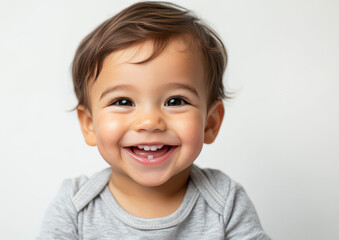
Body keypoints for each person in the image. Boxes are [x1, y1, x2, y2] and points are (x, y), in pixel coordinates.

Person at [37, 1, 270, 239]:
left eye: (176, 101)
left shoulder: (225, 201)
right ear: (89, 125)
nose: (149, 122)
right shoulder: (75, 208)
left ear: (210, 123)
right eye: (123, 102)